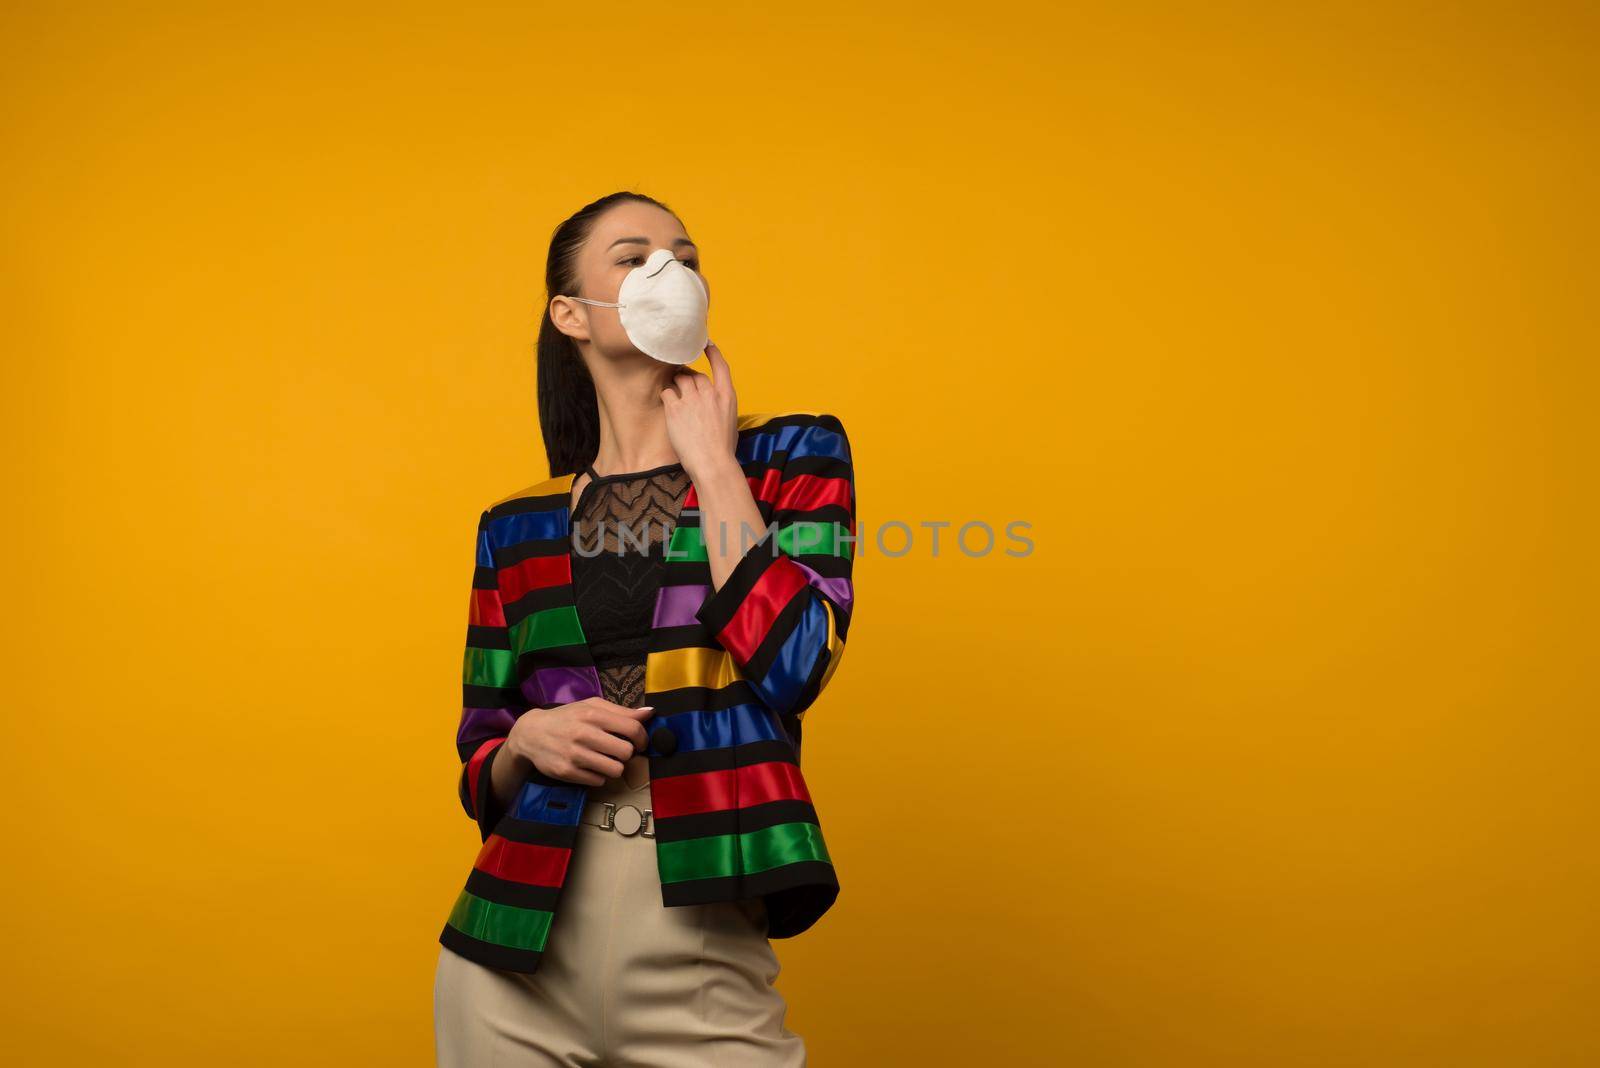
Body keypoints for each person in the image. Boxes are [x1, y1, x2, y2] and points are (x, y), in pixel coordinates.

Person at [433, 191, 857, 1066]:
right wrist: (529, 740)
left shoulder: (792, 457)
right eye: (632, 256)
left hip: (698, 926)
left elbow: (798, 663)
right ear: (570, 315)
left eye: (686, 256)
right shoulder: (514, 524)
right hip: (517, 942)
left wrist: (713, 464)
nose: (670, 271)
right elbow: (481, 752)